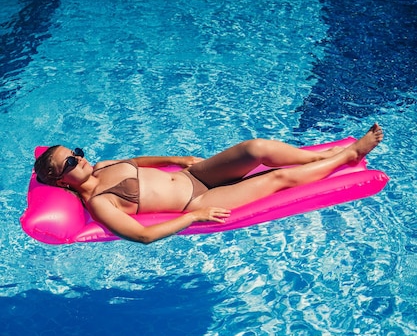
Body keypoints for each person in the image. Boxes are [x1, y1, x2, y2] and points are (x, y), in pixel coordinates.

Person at [34, 123, 383, 244]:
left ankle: (320, 155)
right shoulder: (99, 203)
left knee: (255, 148)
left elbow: (139, 163)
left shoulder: (104, 166)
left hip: (196, 176)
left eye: (77, 152)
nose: (80, 158)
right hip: (198, 202)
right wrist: (191, 219)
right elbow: (142, 236)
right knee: (279, 179)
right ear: (60, 181)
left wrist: (179, 159)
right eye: (71, 162)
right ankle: (346, 158)